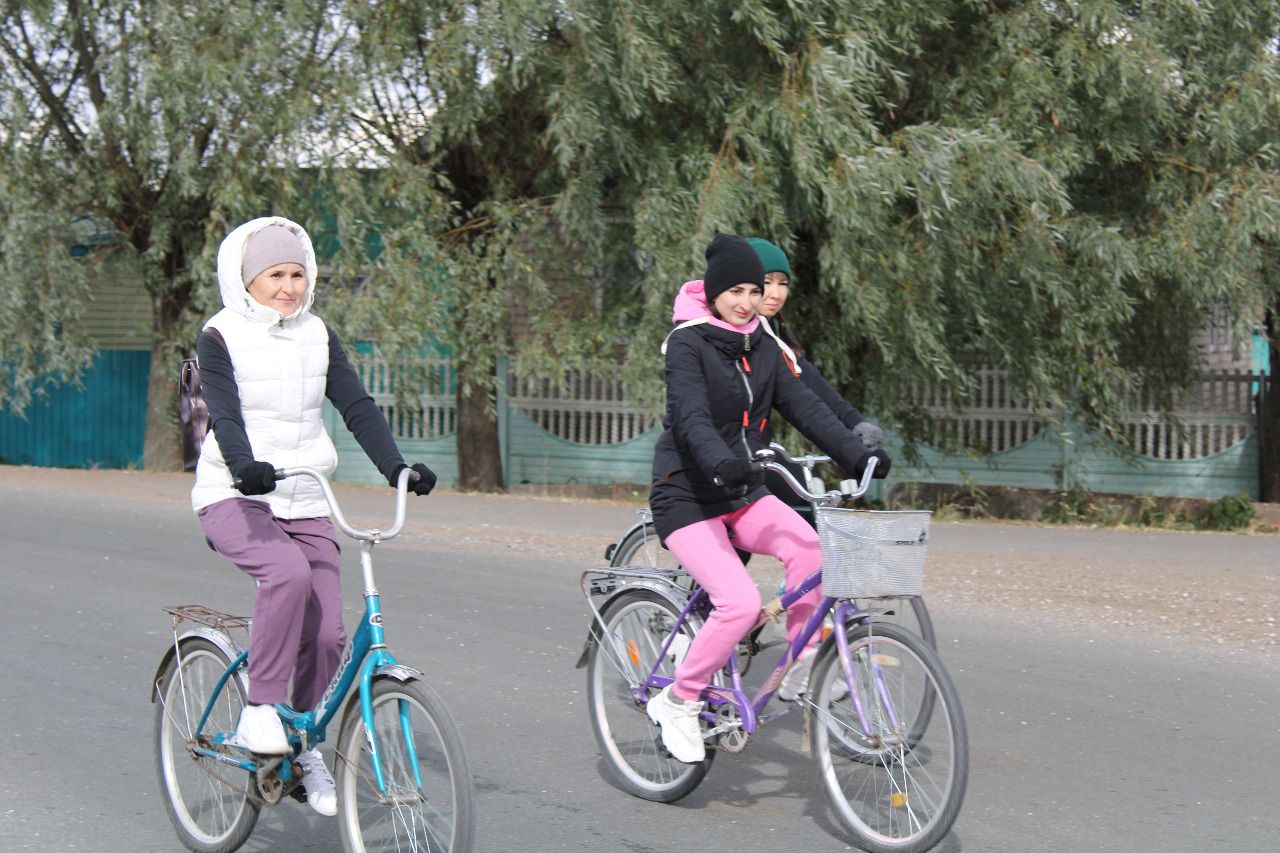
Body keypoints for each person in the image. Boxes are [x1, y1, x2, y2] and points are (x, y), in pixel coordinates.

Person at [190, 216, 437, 816]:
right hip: (235, 490)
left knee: (327, 637)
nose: (289, 286)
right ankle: (258, 712)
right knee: (286, 576)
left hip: (305, 496)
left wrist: (397, 467)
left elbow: (353, 402)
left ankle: (300, 743)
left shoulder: (317, 334)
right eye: (275, 274)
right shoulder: (219, 335)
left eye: (298, 273)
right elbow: (222, 412)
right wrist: (244, 464)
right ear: (247, 280)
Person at [644, 234, 890, 763]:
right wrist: (720, 462)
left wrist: (855, 454)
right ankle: (679, 698)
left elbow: (807, 407)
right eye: (735, 291)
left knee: (813, 553)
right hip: (687, 491)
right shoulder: (688, 343)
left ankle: (801, 666)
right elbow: (690, 419)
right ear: (712, 294)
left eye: (755, 291)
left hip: (741, 487)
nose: (747, 301)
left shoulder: (764, 345)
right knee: (740, 603)